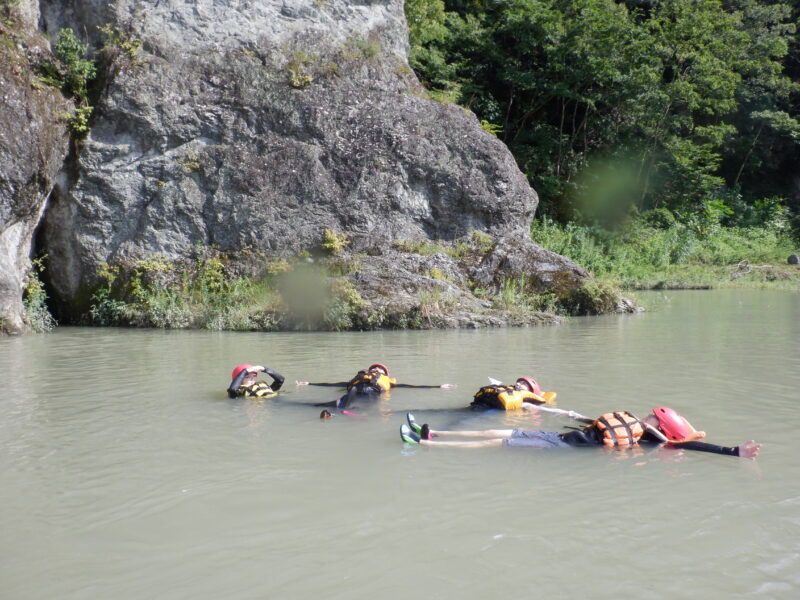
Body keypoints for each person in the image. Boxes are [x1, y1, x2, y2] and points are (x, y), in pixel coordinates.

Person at [399, 406, 761, 459]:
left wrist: (733, 452)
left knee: (499, 440)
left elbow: (696, 448)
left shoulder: (652, 438)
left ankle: (428, 446)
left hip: (561, 448)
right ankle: (432, 432)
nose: (648, 414)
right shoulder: (634, 422)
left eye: (653, 415)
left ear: (659, 425)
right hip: (559, 437)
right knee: (501, 429)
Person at [299, 363, 455, 411]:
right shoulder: (361, 377)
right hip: (357, 390)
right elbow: (333, 384)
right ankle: (343, 406)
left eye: (380, 370)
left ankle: (348, 407)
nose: (377, 370)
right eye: (375, 368)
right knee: (351, 393)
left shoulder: (388, 381)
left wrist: (438, 386)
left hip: (372, 393)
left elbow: (411, 386)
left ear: (385, 374)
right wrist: (309, 383)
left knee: (357, 398)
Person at [470, 376, 556, 411]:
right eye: (519, 382)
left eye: (523, 384)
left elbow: (546, 410)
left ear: (530, 392)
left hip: (490, 410)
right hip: (482, 405)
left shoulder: (524, 402)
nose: (518, 384)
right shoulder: (509, 392)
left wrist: (566, 413)